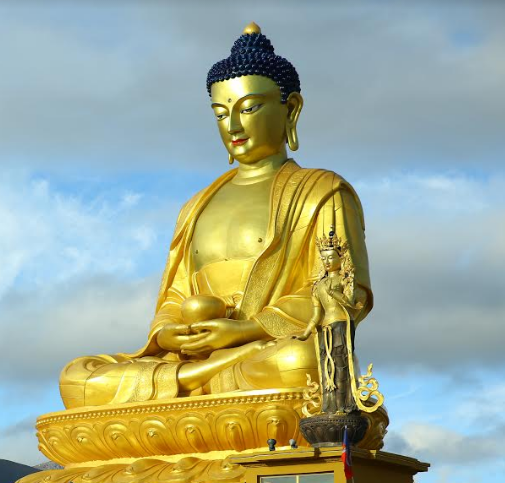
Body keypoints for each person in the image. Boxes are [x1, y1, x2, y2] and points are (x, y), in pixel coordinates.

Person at [59, 23, 372, 409]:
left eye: (250, 108)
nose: (234, 127)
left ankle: (191, 389)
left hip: (266, 354)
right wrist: (170, 334)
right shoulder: (196, 206)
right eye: (221, 113)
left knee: (299, 363)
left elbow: (342, 292)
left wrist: (247, 330)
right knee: (78, 377)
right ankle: (198, 383)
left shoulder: (321, 192)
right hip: (194, 361)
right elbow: (174, 297)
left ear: (290, 108)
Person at [293, 230, 368, 414]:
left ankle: (344, 403)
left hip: (341, 323)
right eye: (323, 258)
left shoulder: (345, 280)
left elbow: (351, 304)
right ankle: (330, 405)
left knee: (340, 362)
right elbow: (316, 314)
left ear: (340, 258)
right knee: (327, 366)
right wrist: (304, 333)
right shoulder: (318, 286)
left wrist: (336, 293)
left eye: (330, 258)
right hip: (324, 328)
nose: (326, 262)